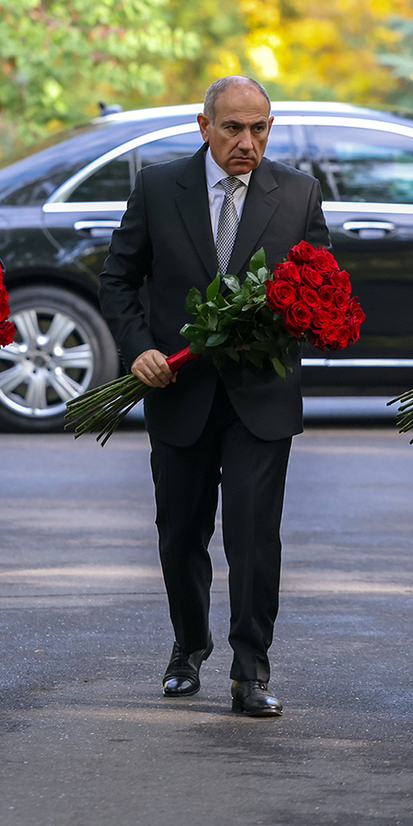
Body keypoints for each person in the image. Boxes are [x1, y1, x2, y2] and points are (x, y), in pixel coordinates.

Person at [98, 77, 330, 717]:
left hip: (261, 396)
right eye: (233, 128)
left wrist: (287, 326)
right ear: (204, 127)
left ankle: (250, 669)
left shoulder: (299, 193)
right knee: (180, 533)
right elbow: (118, 280)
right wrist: (138, 350)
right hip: (179, 390)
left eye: (259, 129)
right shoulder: (158, 187)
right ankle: (189, 644)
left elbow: (320, 288)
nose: (246, 142)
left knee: (254, 538)